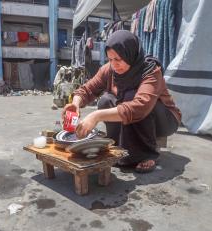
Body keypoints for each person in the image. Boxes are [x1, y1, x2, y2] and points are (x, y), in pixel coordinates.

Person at [63, 30, 181, 173]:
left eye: (118, 59)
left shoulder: (150, 71)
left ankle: (146, 154)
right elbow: (87, 90)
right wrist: (75, 104)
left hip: (164, 119)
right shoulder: (110, 70)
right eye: (110, 59)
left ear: (130, 55)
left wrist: (96, 116)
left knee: (131, 97)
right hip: (138, 115)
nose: (114, 65)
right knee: (106, 100)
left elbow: (140, 106)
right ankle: (118, 147)